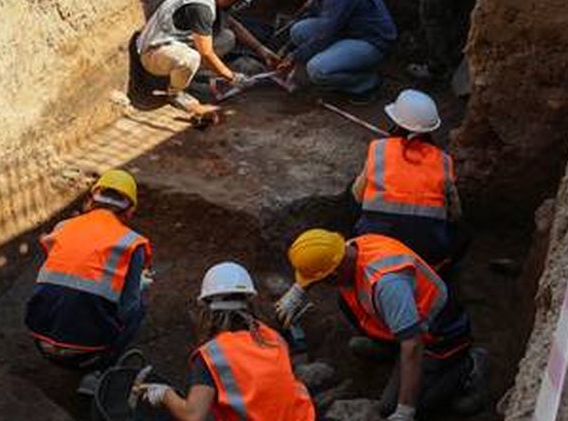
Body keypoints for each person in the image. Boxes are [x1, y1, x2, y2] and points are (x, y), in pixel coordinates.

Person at [275, 230, 489, 420]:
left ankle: (470, 365)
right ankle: (393, 350)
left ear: (334, 274)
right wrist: (299, 291)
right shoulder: (351, 248)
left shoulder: (388, 284)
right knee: (347, 303)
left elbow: (413, 345)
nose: (321, 286)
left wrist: (406, 410)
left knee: (392, 407)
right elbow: (326, 260)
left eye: (322, 281)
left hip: (439, 339)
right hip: (404, 322)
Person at [136, 262, 316, 421]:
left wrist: (165, 394)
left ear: (208, 310)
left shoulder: (213, 356)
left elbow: (193, 416)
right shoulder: (273, 337)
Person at [25, 169, 153, 390]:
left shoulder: (63, 227)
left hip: (39, 338)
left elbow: (67, 276)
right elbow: (127, 310)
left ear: (91, 201)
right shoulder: (131, 244)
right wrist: (137, 286)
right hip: (84, 354)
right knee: (138, 308)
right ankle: (97, 373)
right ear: (130, 210)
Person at [137, 0, 280, 118]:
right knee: (191, 58)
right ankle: (175, 93)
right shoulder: (201, 7)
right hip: (153, 53)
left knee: (227, 38)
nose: (237, 3)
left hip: (174, 45)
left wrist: (261, 50)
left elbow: (234, 26)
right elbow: (206, 53)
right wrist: (232, 77)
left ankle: (187, 75)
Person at [351, 90, 468, 272]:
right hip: (425, 251)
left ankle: (359, 254)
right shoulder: (443, 160)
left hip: (376, 245)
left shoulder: (380, 150)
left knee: (353, 202)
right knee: (463, 234)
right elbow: (455, 214)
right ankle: (439, 271)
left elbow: (357, 196)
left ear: (396, 123)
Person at [277, 0, 397, 102]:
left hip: (372, 41)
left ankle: (368, 83)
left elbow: (325, 34)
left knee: (316, 70)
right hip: (348, 30)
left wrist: (295, 56)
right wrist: (289, 48)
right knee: (298, 30)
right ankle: (335, 63)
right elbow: (318, 19)